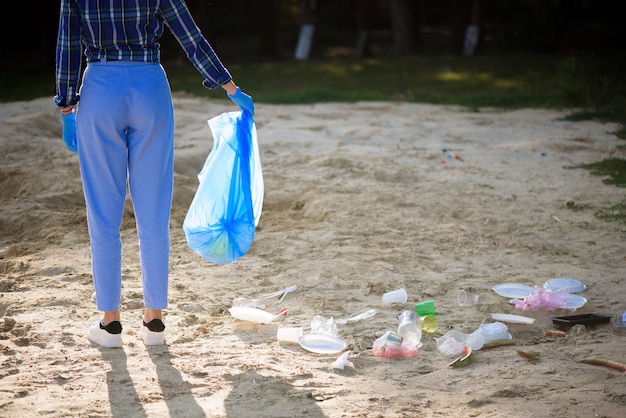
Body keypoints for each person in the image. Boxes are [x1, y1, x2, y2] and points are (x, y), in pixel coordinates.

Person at [55, 0, 254, 348]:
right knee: (153, 211)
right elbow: (190, 36)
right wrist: (230, 88)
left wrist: (66, 104)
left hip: (100, 88)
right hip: (149, 87)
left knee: (103, 213)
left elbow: (68, 44)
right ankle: (154, 321)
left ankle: (110, 323)